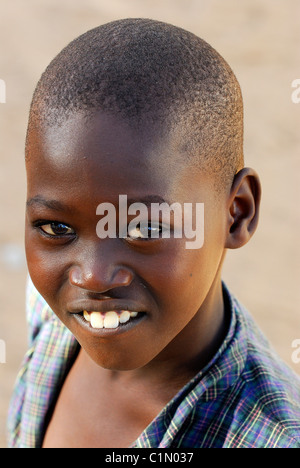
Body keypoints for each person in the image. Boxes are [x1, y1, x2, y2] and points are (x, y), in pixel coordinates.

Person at [8, 18, 300, 448]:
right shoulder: (47, 313)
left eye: (144, 227)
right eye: (58, 228)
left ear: (236, 213)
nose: (92, 277)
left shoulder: (271, 438)